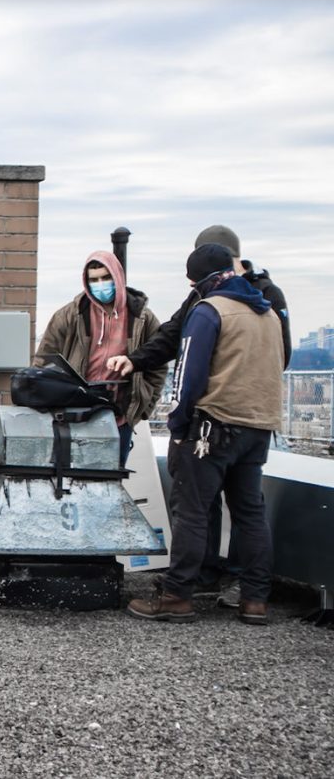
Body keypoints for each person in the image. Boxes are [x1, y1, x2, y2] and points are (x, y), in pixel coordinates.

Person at [105, 225, 291, 606]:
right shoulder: (268, 310)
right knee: (250, 512)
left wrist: (178, 426)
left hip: (212, 427)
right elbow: (280, 360)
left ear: (200, 278)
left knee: (190, 509)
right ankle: (255, 599)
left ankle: (178, 594)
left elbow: (188, 374)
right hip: (258, 426)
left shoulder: (208, 310)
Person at [33, 250, 164, 465]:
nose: (100, 284)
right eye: (94, 280)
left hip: (119, 417)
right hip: (74, 414)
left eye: (106, 278)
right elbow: (43, 362)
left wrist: (141, 409)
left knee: (111, 478)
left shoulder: (142, 319)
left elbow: (157, 365)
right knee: (69, 479)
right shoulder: (69, 315)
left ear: (118, 278)